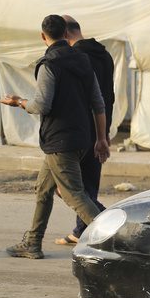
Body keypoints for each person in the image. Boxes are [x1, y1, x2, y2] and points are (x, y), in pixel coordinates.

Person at [0, 15, 109, 259]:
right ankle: (32, 243)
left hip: (59, 141)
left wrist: (18, 101)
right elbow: (98, 103)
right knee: (43, 188)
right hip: (81, 137)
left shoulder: (49, 64)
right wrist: (101, 138)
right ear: (66, 33)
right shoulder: (83, 60)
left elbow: (41, 105)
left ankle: (116, 237)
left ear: (42, 36)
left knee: (74, 194)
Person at [58, 15, 115, 245]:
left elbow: (85, 97)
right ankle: (81, 229)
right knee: (87, 182)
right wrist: (105, 130)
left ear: (64, 34)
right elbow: (107, 96)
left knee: (69, 185)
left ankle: (109, 222)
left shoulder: (78, 57)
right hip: (100, 124)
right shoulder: (104, 54)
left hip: (81, 127)